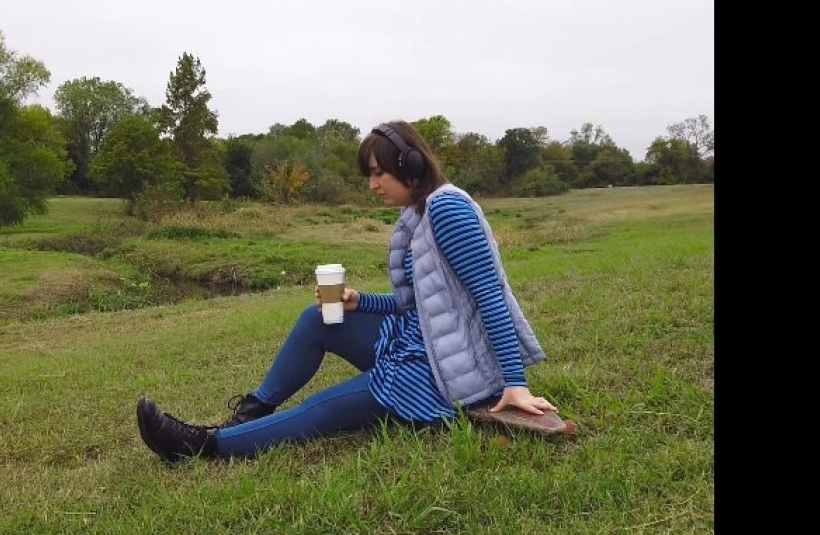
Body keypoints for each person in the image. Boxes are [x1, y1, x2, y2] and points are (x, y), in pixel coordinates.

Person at [136, 120, 557, 462]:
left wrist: (514, 384)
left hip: (445, 375)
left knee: (325, 408)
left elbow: (490, 297)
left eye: (378, 172)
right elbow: (423, 307)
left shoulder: (447, 211)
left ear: (410, 163)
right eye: (368, 175)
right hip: (421, 346)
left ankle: (203, 446)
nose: (372, 185)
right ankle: (246, 418)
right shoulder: (417, 216)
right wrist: (360, 301)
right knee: (318, 317)